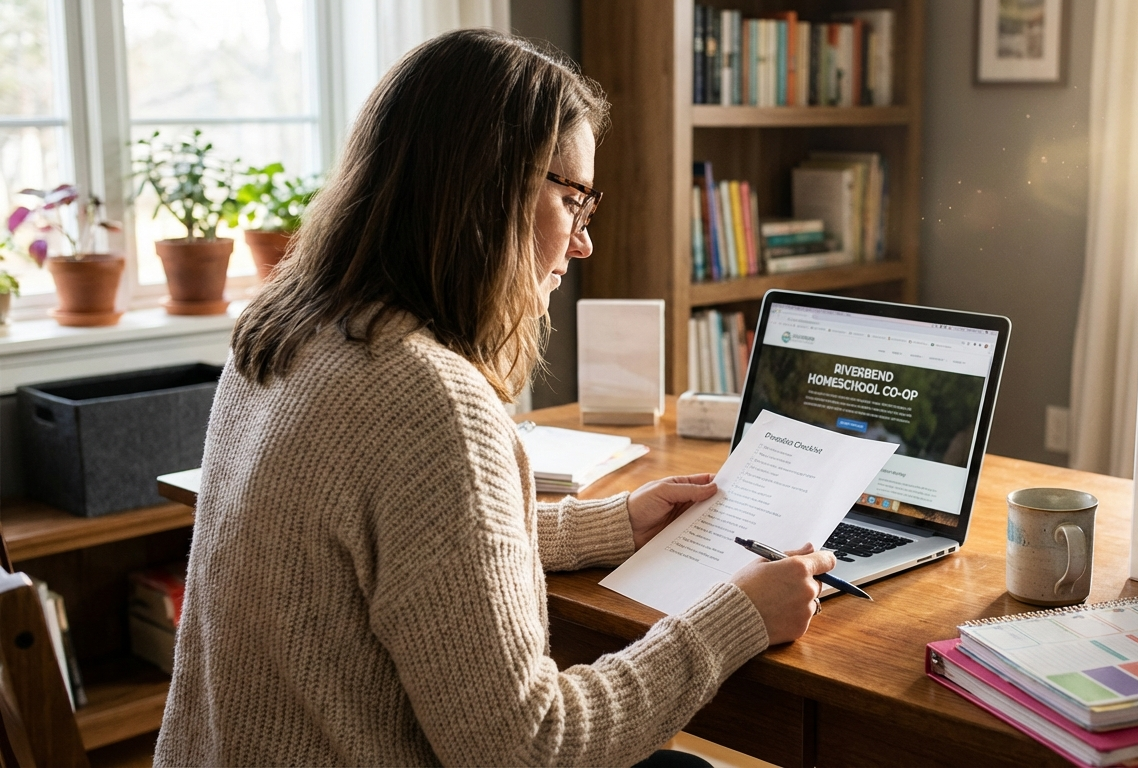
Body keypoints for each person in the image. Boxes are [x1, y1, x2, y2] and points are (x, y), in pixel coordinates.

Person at [153, 29, 835, 767]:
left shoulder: (285, 330)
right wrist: (736, 616)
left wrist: (611, 526)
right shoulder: (429, 399)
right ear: (487, 186)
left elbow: (404, 553)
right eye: (574, 198)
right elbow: (530, 748)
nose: (583, 244)